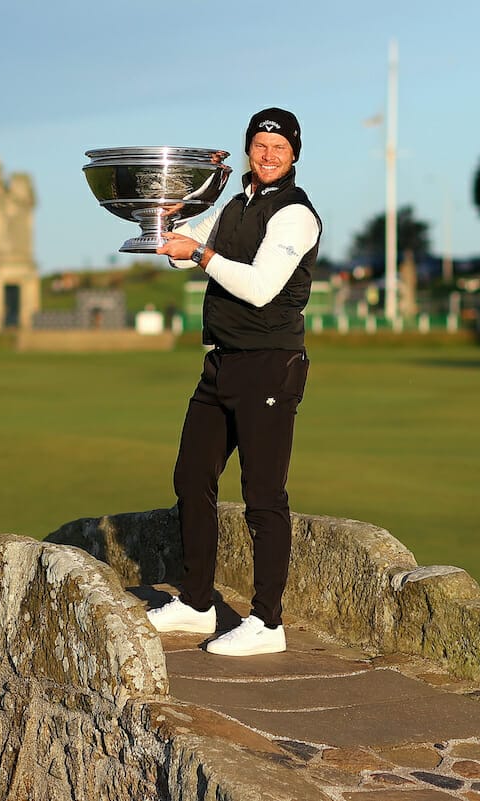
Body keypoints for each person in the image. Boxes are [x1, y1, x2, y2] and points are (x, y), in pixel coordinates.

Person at [149, 107, 321, 657]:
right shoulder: (234, 204)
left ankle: (267, 623)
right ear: (248, 149)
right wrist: (167, 221)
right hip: (222, 362)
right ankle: (198, 603)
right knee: (191, 476)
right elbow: (181, 253)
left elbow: (260, 287)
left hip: (270, 363)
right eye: (260, 144)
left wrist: (199, 253)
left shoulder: (296, 215)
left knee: (263, 496)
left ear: (294, 154)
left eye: (279, 147)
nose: (268, 154)